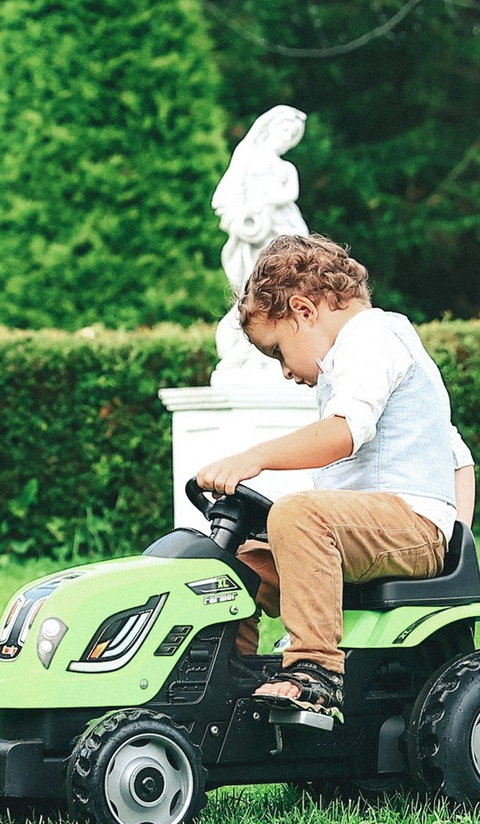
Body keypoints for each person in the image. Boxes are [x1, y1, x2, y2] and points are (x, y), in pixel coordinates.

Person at [192, 232, 464, 714]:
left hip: (410, 525)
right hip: (367, 530)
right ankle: (222, 681)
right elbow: (457, 453)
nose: (284, 371)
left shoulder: (374, 337)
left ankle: (315, 670)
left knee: (300, 515)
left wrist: (255, 457)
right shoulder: (353, 360)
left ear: (303, 310)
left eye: (276, 351)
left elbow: (342, 435)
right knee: (233, 566)